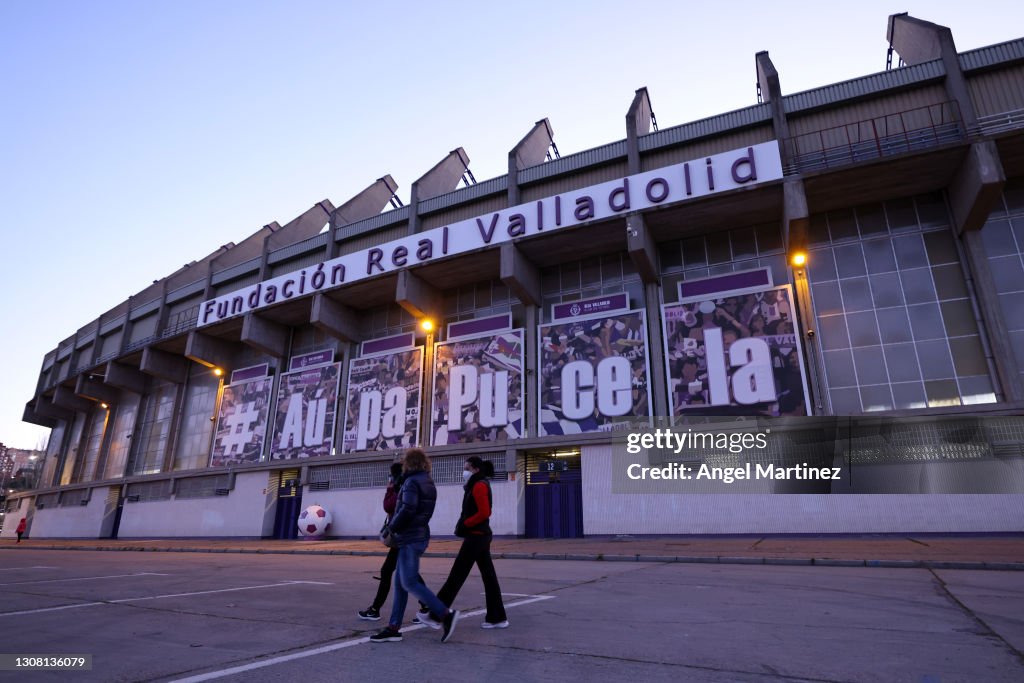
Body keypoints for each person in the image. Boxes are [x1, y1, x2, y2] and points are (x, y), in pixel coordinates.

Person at [370, 449, 459, 644]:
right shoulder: (427, 481)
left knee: (409, 582)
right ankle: (394, 627)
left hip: (409, 536)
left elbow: (407, 509)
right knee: (400, 584)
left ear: (409, 463)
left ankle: (445, 614)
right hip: (418, 534)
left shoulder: (411, 482)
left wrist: (391, 528)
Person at [429, 456, 509, 629]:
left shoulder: (479, 485)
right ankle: (497, 617)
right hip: (480, 535)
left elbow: (485, 512)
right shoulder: (477, 484)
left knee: (456, 575)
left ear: (475, 469)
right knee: (489, 577)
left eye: (467, 468)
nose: (464, 471)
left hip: (476, 536)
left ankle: (437, 614)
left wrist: (466, 524)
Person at [359, 463, 424, 621]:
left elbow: (388, 506)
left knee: (392, 572)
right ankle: (427, 605)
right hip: (405, 536)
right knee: (405, 572)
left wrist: (389, 488)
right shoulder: (409, 486)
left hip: (401, 537)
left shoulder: (400, 488)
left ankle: (376, 609)